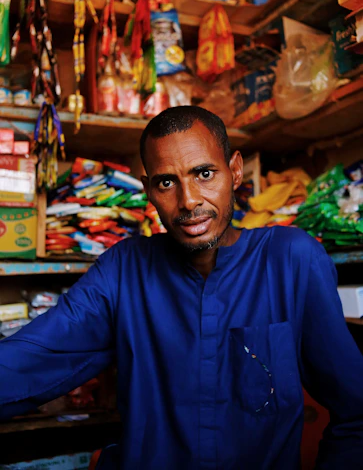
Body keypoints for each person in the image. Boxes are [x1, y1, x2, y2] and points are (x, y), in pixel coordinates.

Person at [0, 106, 363, 470]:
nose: (188, 201)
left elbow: (356, 411)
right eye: (167, 182)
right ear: (149, 190)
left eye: (204, 173)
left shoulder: (291, 260)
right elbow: (28, 362)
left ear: (235, 170)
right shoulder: (124, 270)